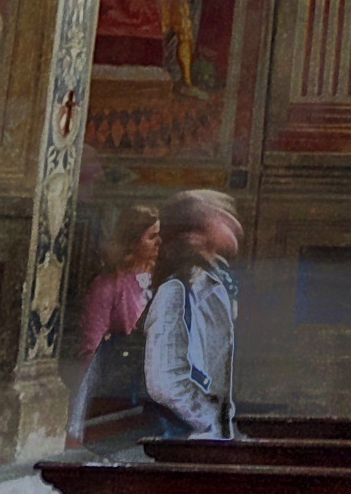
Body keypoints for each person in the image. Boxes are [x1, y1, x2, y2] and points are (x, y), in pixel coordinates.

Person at [144, 186, 243, 440]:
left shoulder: (217, 284)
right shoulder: (177, 291)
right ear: (194, 235)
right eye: (219, 216)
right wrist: (211, 419)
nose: (232, 223)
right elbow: (165, 382)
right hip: (192, 441)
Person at [71, 201, 162, 442]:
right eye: (152, 236)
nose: (159, 243)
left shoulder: (159, 281)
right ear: (133, 241)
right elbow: (91, 343)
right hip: (114, 381)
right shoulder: (108, 285)